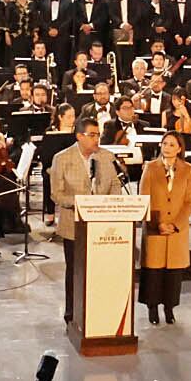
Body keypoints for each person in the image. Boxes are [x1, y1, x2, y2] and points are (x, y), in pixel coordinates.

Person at [48, 121, 125, 323]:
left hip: (102, 225)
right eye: (91, 135)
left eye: (98, 135)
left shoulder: (106, 156)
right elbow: (56, 194)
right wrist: (83, 204)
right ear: (79, 136)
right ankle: (72, 312)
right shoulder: (62, 158)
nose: (96, 139)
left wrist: (109, 204)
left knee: (100, 270)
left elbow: (116, 184)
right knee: (75, 270)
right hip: (74, 225)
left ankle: (98, 310)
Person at [138, 131, 191, 326]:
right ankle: (152, 308)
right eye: (165, 144)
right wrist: (157, 223)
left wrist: (175, 224)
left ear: (179, 148)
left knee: (173, 273)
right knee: (154, 272)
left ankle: (169, 308)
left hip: (176, 231)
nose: (167, 147)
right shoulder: (150, 168)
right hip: (156, 227)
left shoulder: (188, 169)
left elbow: (190, 201)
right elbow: (144, 198)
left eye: (172, 144)